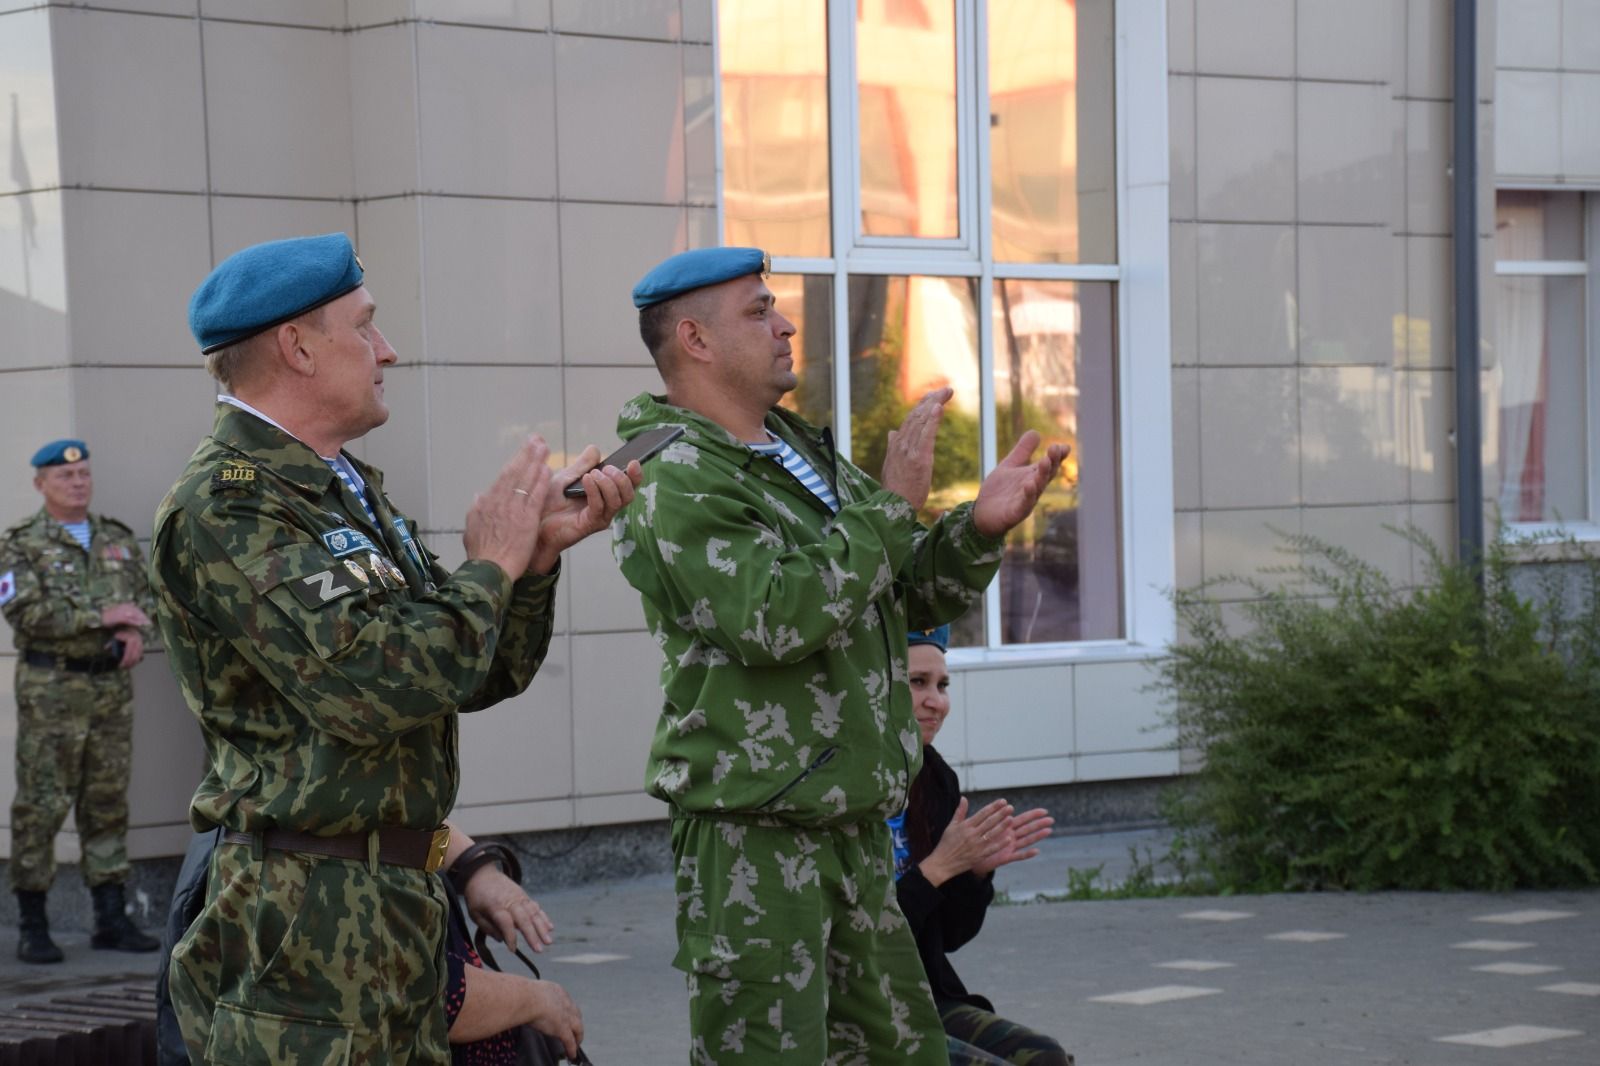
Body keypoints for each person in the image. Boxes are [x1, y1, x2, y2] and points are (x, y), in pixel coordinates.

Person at [151, 232, 637, 1065]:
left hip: (394, 908)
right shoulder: (229, 505)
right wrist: (490, 564)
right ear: (297, 346)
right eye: (366, 327)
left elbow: (465, 672)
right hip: (301, 929)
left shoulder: (339, 487)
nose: (390, 350)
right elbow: (373, 684)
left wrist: (531, 563)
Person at [611, 246, 1069, 1063]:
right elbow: (772, 615)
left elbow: (903, 592)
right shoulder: (674, 475)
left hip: (854, 828)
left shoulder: (797, 452)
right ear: (695, 339)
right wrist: (890, 505)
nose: (786, 324)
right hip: (757, 835)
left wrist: (979, 529)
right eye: (758, 311)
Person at [1, 439, 162, 963]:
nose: (78, 483)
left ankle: (110, 918)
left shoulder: (115, 538)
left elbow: (147, 602)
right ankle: (32, 921)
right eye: (66, 477)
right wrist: (103, 617)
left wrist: (138, 633)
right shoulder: (21, 544)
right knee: (41, 805)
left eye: (84, 474)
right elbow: (26, 613)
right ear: (40, 484)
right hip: (52, 692)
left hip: (111, 689)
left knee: (107, 801)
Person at [892, 626, 1070, 1066]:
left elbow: (949, 936)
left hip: (927, 997)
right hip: (851, 1005)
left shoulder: (934, 780)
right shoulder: (839, 792)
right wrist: (935, 870)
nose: (937, 702)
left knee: (1045, 1057)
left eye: (943, 685)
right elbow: (851, 940)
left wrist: (973, 874)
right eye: (917, 683)